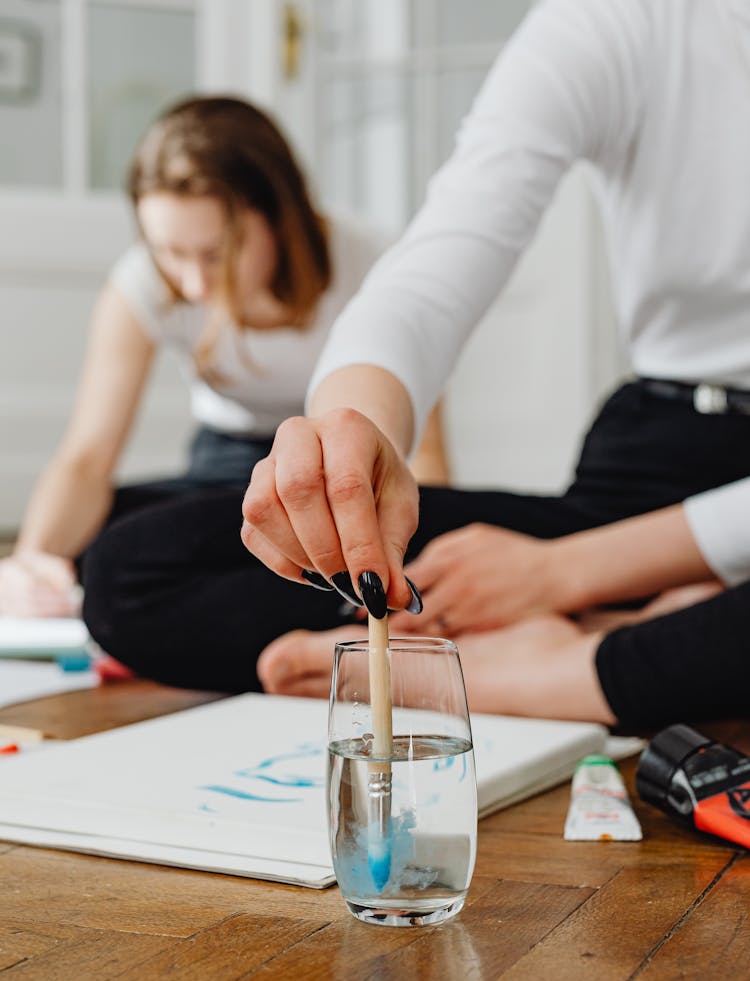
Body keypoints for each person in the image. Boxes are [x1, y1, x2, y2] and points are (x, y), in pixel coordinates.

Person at [231, 0, 750, 733]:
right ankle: (664, 626)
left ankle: (558, 671)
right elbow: (443, 256)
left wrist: (558, 573)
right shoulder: (622, 19)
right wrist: (352, 431)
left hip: (634, 549)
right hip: (660, 450)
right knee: (142, 569)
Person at [0, 94, 404, 618]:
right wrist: (33, 562)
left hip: (343, 472)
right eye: (169, 252)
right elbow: (87, 457)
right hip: (224, 467)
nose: (192, 283)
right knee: (111, 546)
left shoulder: (370, 262)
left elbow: (421, 456)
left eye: (216, 254)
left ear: (280, 218)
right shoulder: (140, 282)